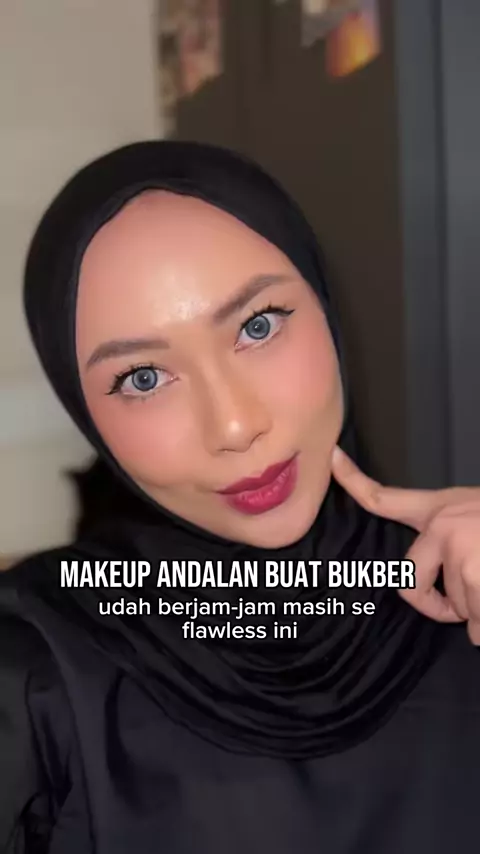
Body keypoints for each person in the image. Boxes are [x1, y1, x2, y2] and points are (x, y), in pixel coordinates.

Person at [1, 140, 480, 854]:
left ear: (326, 308)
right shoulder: (33, 671)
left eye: (258, 326)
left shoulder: (462, 588)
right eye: (142, 378)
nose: (233, 426)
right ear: (85, 412)